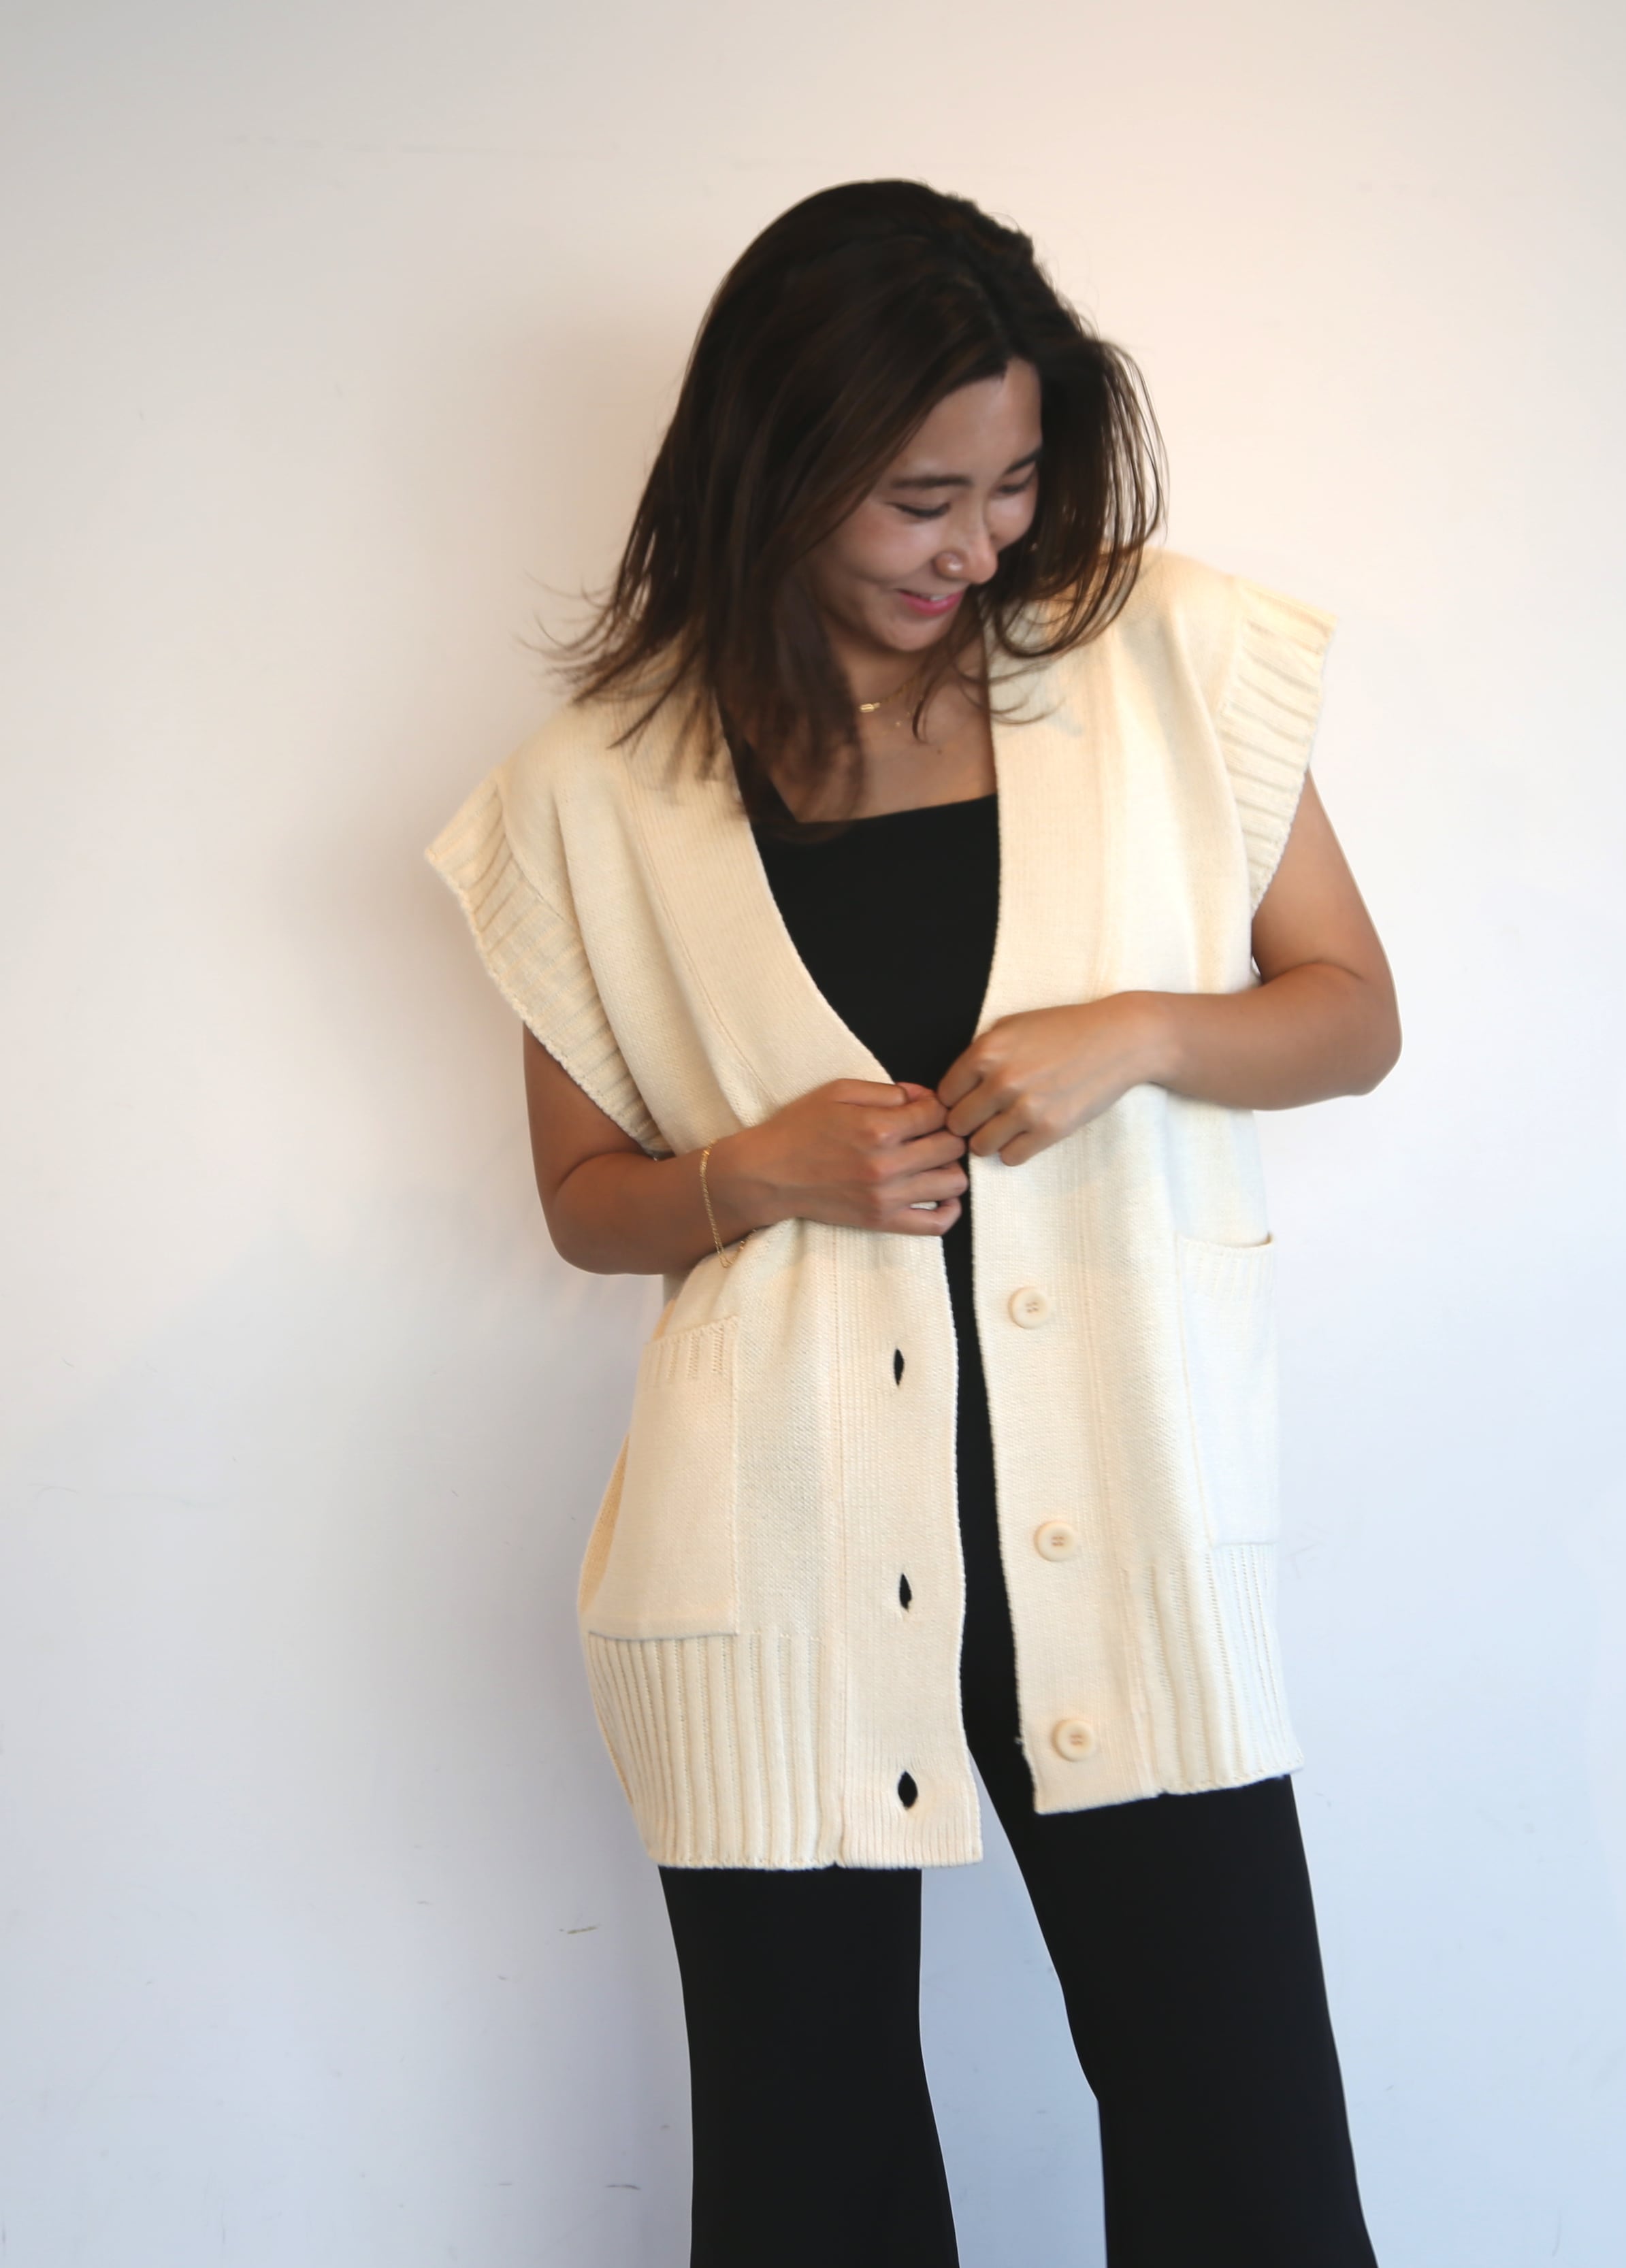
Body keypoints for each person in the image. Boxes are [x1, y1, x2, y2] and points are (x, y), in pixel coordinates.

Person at [425, 180, 1399, 2267]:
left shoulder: (1164, 659)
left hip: (1121, 1514)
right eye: (921, 499)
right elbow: (585, 1204)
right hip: (770, 1537)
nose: (978, 546)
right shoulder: (596, 791)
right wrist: (749, 1176)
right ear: (773, 473)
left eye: (1016, 484)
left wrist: (1142, 1032)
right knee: (811, 2181)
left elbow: (1350, 1014)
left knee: (1244, 2140)